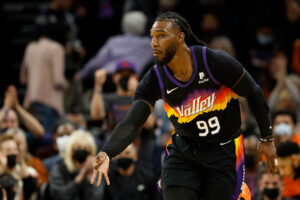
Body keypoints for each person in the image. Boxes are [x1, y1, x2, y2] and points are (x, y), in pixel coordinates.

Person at [90, 12, 277, 200]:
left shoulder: (213, 62)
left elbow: (254, 93)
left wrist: (267, 137)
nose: (154, 42)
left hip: (224, 151)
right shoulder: (155, 78)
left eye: (161, 35)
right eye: (152, 37)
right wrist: (107, 152)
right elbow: (132, 121)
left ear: (180, 37)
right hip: (185, 152)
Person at [49, 130, 102, 200]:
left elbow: (96, 197)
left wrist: (90, 178)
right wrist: (79, 179)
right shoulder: (58, 169)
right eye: (78, 147)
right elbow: (59, 196)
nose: (82, 151)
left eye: (85, 148)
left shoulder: (96, 171)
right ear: (71, 151)